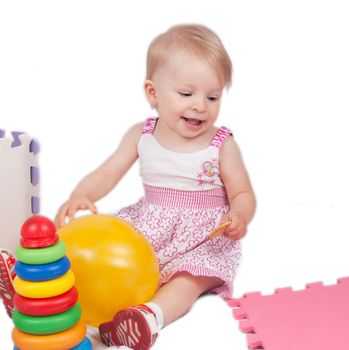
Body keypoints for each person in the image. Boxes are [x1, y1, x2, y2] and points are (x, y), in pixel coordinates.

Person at [54, 24, 256, 350]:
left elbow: (242, 193)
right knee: (102, 244)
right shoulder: (142, 134)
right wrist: (82, 195)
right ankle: (44, 280)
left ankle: (148, 317)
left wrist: (239, 217)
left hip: (203, 237)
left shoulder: (221, 144)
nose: (201, 105)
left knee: (188, 280)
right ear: (153, 93)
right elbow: (107, 174)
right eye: (187, 94)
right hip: (148, 226)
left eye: (213, 96)